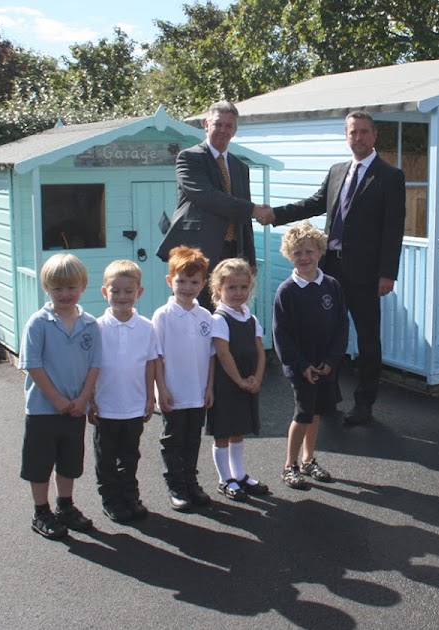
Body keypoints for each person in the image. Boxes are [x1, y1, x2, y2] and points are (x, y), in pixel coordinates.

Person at [268, 110, 405, 426]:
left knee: (368, 340)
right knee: (325, 336)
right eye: (352, 132)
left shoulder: (390, 176)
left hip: (367, 275)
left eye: (364, 132)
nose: (358, 138)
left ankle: (364, 403)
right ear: (346, 136)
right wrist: (273, 214)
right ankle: (327, 398)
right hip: (329, 271)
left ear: (374, 135)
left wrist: (388, 273)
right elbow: (313, 204)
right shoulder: (337, 171)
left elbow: (392, 230)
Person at [156, 100, 274, 309]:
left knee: (227, 309)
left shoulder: (240, 167)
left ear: (235, 130)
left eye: (229, 126)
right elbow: (207, 196)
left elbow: (243, 216)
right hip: (199, 251)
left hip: (231, 251)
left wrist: (250, 259)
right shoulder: (190, 158)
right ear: (206, 124)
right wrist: (253, 209)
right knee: (193, 309)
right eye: (218, 124)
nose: (223, 130)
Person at [17, 253, 101, 539]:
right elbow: (32, 365)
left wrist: (84, 399)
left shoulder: (90, 324)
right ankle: (41, 511)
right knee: (39, 464)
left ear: (82, 286)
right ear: (47, 288)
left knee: (69, 462)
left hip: (75, 409)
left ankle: (65, 506)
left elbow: (94, 365)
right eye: (57, 288)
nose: (65, 294)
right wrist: (56, 399)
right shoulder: (38, 323)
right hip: (43, 410)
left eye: (71, 287)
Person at [272, 221, 349, 489]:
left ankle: (308, 460)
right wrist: (301, 365)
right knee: (302, 414)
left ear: (319, 251)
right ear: (289, 255)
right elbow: (281, 335)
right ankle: (289, 465)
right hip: (302, 367)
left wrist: (331, 361)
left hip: (325, 365)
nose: (303, 258)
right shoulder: (287, 291)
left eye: (309, 251)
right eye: (297, 253)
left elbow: (341, 325)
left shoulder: (331, 285)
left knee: (316, 413)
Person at [89, 260, 158, 523]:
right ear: (104, 292)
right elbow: (90, 367)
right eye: (115, 291)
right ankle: (111, 500)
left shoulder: (146, 327)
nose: (122, 297)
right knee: (106, 458)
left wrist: (150, 397)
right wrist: (90, 400)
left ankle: (130, 496)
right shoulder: (96, 328)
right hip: (105, 406)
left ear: (139, 292)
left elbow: (150, 362)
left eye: (128, 291)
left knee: (130, 455)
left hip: (133, 405)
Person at [151, 246, 216, 511]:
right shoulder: (163, 316)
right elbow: (156, 357)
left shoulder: (206, 316)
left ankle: (191, 481)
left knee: (193, 439)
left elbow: (211, 356)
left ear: (203, 283)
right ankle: (175, 485)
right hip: (174, 392)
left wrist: (209, 387)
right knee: (172, 440)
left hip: (198, 393)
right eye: (181, 281)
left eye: (194, 282)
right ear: (170, 281)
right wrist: (160, 390)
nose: (187, 287)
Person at [206, 257, 270, 500]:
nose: (238, 292)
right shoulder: (219, 319)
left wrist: (257, 378)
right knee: (223, 431)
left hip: (248, 382)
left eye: (243, 287)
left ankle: (239, 474)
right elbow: (223, 354)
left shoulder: (250, 318)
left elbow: (259, 351)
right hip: (227, 384)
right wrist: (241, 381)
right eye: (231, 287)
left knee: (238, 430)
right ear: (218, 289)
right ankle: (225, 479)